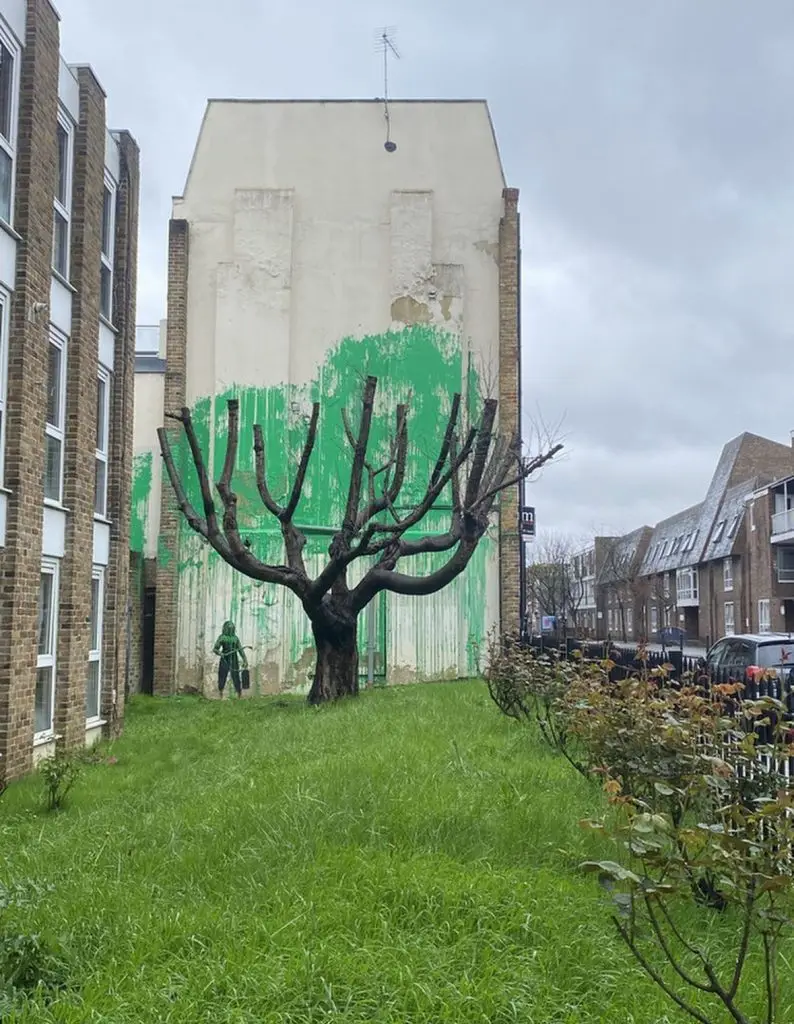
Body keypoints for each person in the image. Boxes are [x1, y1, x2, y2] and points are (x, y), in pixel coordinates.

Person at [213, 620, 247, 698]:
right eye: (229, 628)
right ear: (225, 628)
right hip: (225, 658)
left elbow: (240, 650)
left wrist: (245, 659)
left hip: (234, 658)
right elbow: (215, 649)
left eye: (232, 628)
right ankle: (220, 693)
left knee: (236, 676)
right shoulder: (222, 637)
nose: (230, 629)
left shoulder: (235, 638)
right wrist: (221, 653)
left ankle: (239, 693)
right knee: (222, 675)